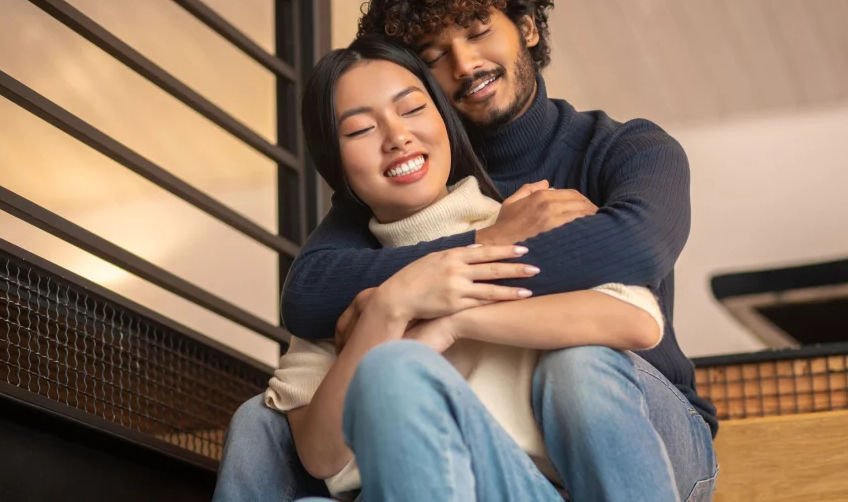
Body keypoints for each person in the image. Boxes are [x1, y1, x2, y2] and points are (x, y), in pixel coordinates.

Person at [214, 0, 717, 502]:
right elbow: (308, 294)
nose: (465, 62)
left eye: (479, 30)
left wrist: (447, 304)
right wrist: (450, 263)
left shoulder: (624, 149)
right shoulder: (406, 186)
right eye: (433, 55)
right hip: (476, 442)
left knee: (574, 367)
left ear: (526, 26)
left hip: (646, 420)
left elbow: (634, 251)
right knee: (261, 421)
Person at [264, 34, 666, 501]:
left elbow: (638, 321)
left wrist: (451, 319)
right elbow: (320, 456)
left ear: (444, 119)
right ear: (336, 164)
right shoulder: (344, 283)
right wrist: (388, 308)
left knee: (396, 368)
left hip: (521, 486)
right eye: (360, 131)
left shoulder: (524, 219)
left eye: (412, 110)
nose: (397, 138)